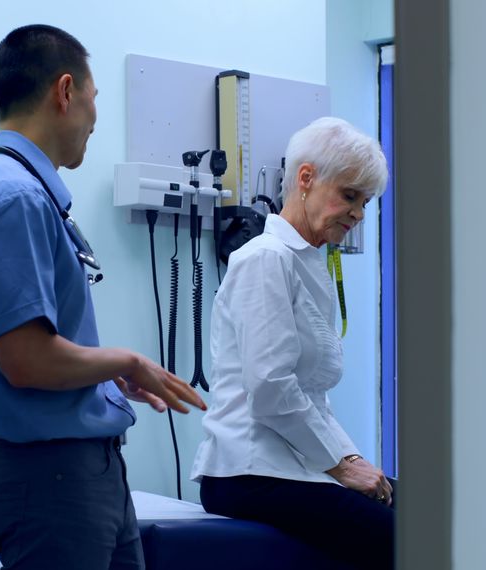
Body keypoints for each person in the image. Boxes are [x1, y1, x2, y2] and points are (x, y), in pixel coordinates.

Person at [0, 24, 207, 570]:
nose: (95, 119)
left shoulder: (24, 192)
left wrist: (101, 371)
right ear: (65, 91)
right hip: (52, 482)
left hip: (83, 474)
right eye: (95, 99)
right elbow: (25, 360)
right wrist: (126, 360)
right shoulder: (14, 197)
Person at [190, 117, 393, 570]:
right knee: (402, 539)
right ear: (306, 179)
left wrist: (352, 457)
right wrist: (340, 467)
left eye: (365, 201)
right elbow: (271, 387)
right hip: (249, 473)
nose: (359, 213)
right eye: (350, 195)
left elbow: (312, 397)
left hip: (291, 469)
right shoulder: (264, 260)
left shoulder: (306, 262)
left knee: (424, 513)